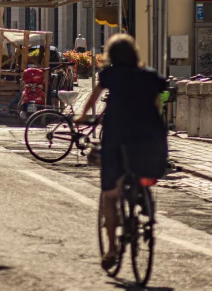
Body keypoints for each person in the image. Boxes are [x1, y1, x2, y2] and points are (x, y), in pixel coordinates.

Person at [76, 34, 168, 270]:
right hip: (150, 140)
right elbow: (162, 97)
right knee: (144, 174)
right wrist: (155, 109)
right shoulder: (150, 76)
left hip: (117, 139)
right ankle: (145, 198)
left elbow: (93, 99)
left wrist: (83, 116)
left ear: (111, 55)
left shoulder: (109, 75)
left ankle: (112, 249)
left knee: (110, 193)